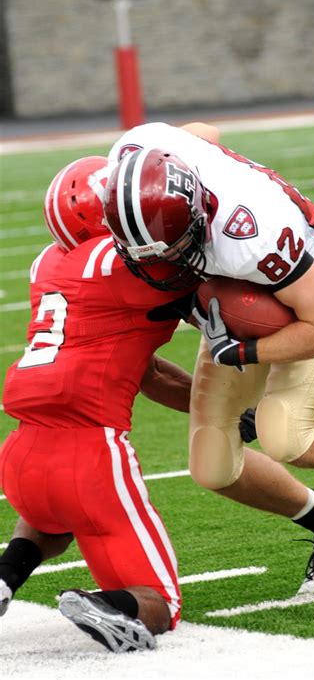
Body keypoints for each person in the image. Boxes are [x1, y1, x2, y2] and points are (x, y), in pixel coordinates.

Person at [103, 122, 314, 591]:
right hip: (233, 293)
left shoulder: (250, 235)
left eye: (175, 251)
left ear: (199, 214)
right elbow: (203, 132)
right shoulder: (135, 156)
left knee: (285, 435)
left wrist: (243, 349)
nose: (161, 267)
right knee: (213, 465)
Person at [0, 156, 195, 652]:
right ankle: (111, 606)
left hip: (22, 455)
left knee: (52, 519)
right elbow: (224, 290)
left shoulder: (49, 261)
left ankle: (5, 575)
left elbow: (146, 372)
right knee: (160, 605)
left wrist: (222, 413)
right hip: (90, 455)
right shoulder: (127, 264)